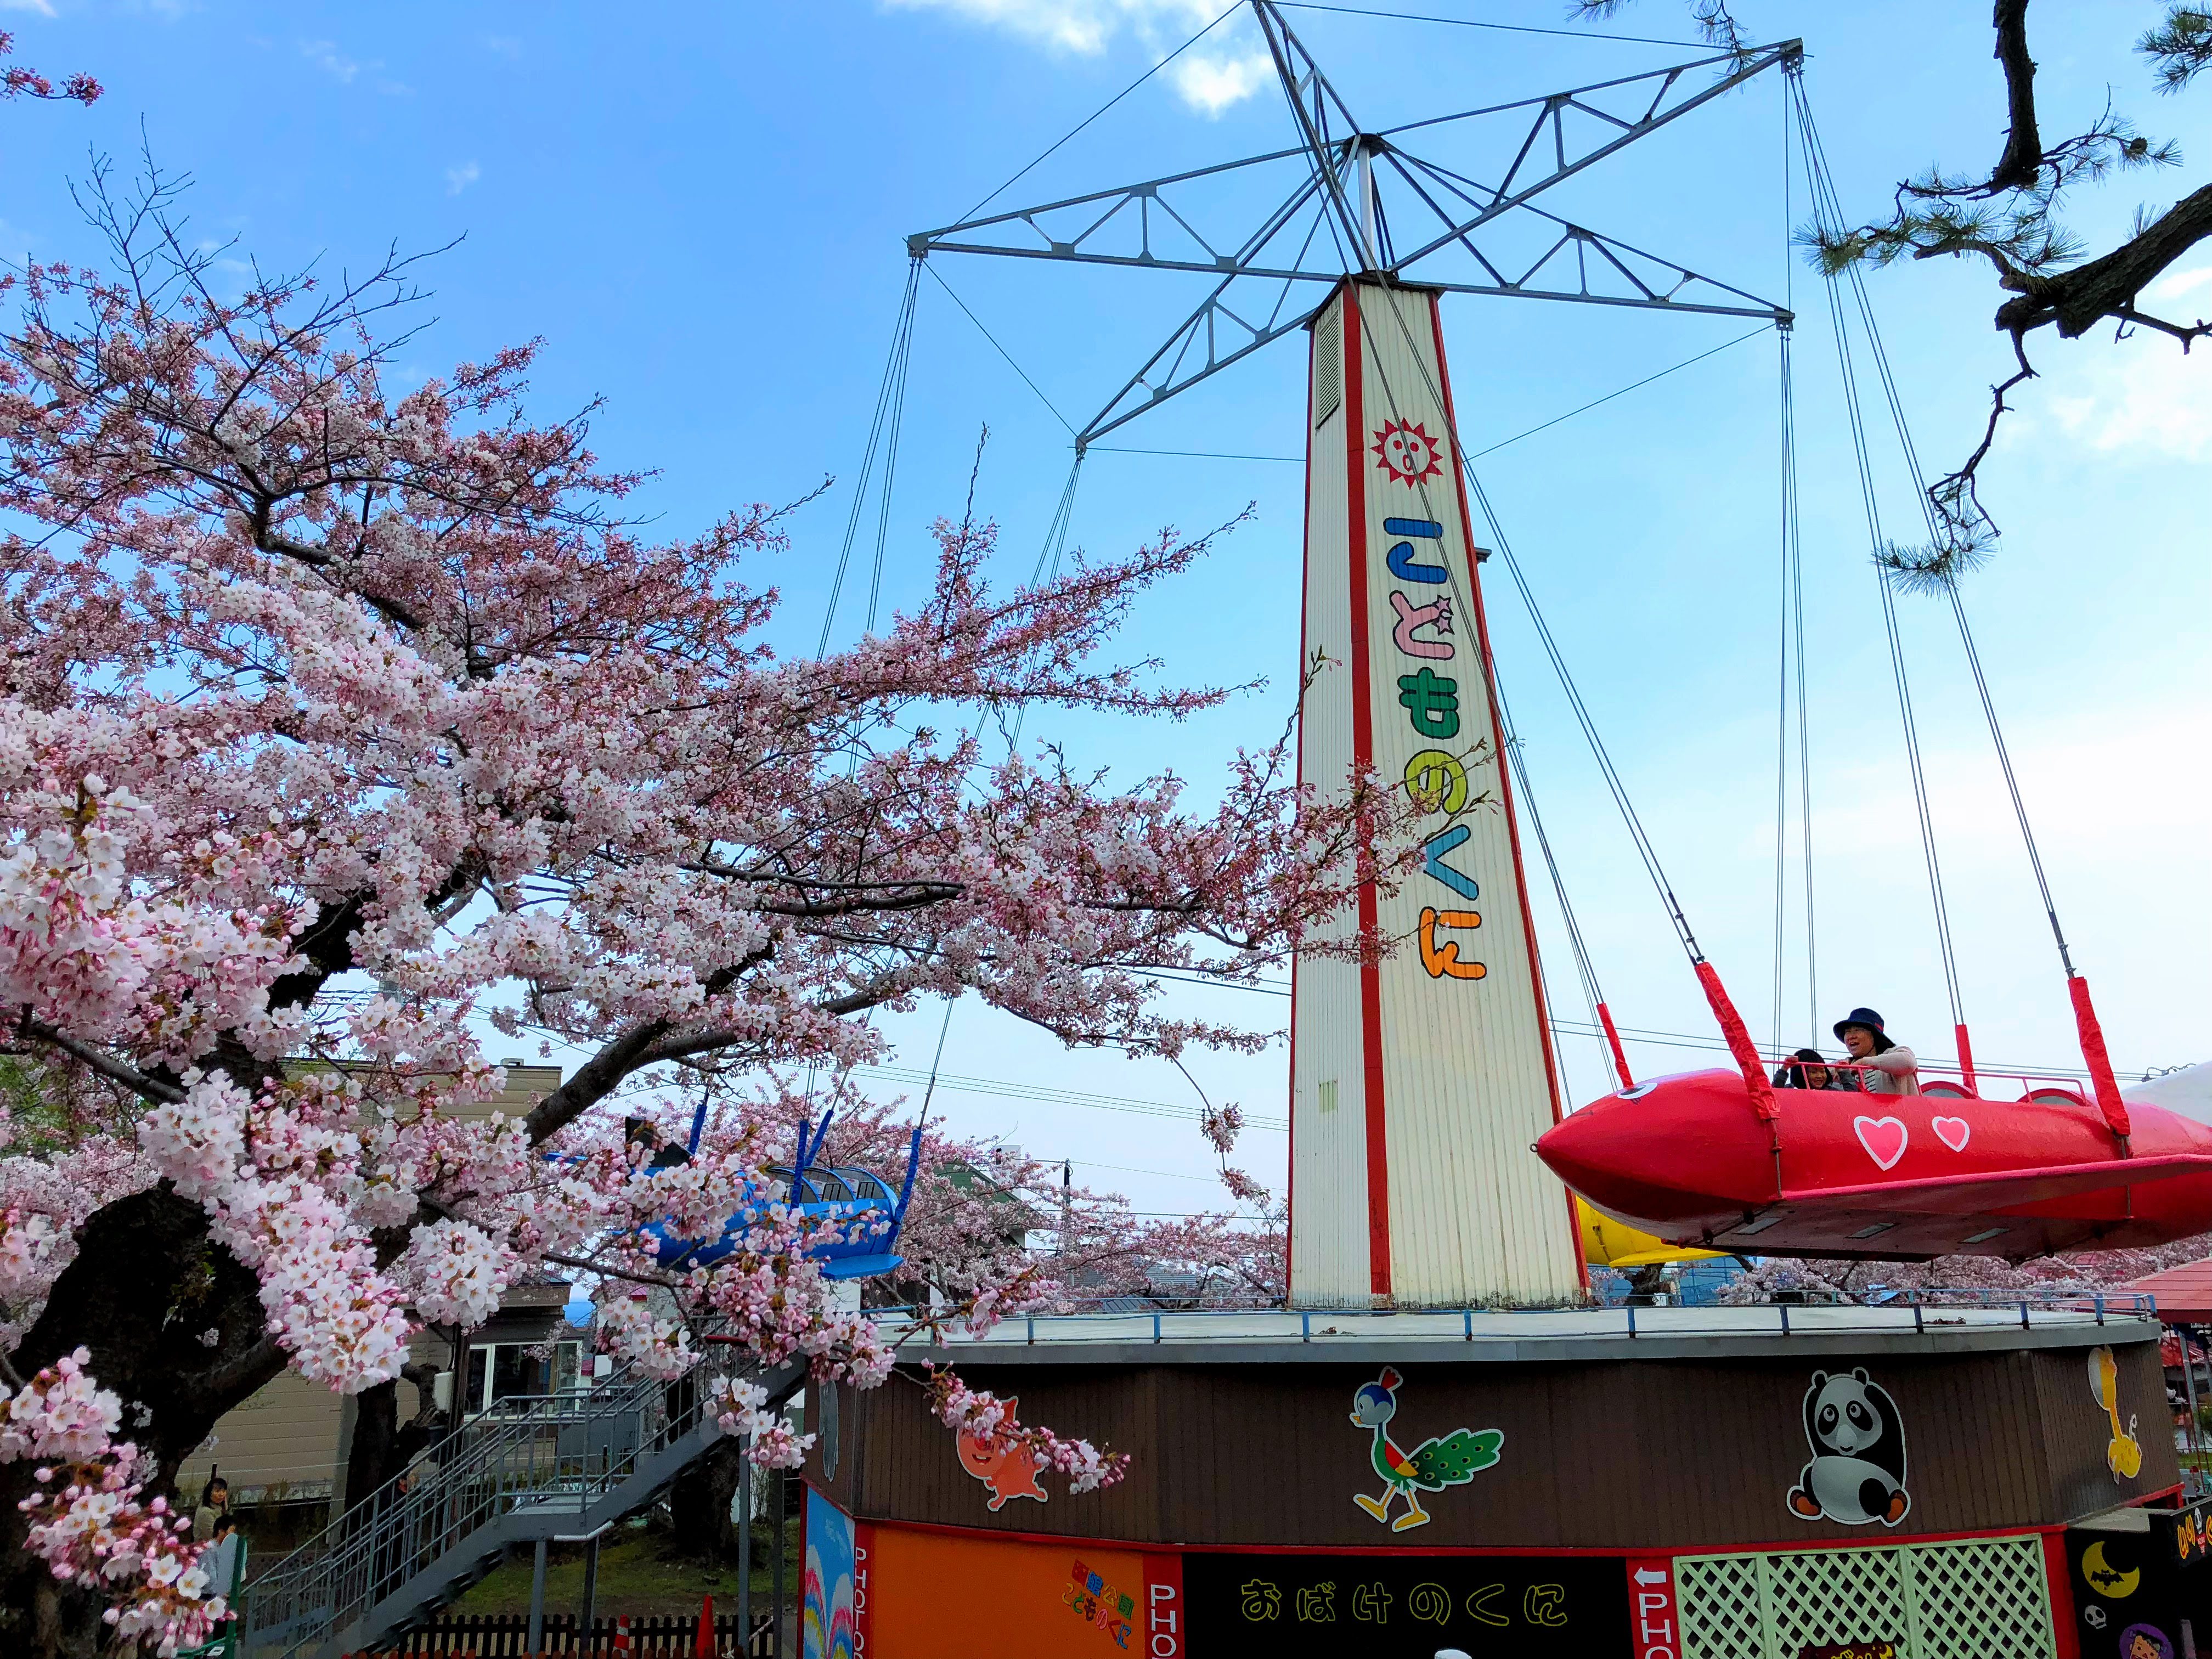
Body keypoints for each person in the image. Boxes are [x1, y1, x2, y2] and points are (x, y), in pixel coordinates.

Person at [1834, 1007, 1920, 1096]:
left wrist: (1864, 1062)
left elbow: (1909, 1063)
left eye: (1858, 1030)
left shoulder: (1893, 1054)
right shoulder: (1846, 1064)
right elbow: (1822, 1072)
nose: (1851, 1036)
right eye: (1847, 1032)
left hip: (1899, 1110)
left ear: (1875, 1035)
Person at [1772, 1047, 1853, 1091]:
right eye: (1814, 1072)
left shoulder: (1833, 1090)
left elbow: (1853, 1097)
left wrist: (1844, 1072)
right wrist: (1785, 1068)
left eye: (1822, 1071)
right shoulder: (1791, 1090)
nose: (1819, 1076)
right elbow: (1775, 1093)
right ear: (1801, 1075)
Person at [192, 1472, 231, 1542]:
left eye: (224, 1491)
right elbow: (215, 1536)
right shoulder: (205, 1512)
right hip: (205, 1550)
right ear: (209, 1493)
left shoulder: (219, 1507)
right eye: (218, 1491)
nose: (221, 1494)